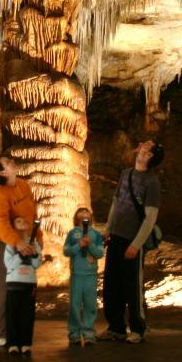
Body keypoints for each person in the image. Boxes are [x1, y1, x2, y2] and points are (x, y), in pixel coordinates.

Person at [99, 140, 164, 344]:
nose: (141, 152)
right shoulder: (126, 174)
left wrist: (136, 244)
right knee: (111, 284)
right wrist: (108, 229)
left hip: (132, 240)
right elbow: (116, 202)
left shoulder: (151, 183)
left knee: (132, 287)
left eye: (147, 151)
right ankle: (116, 327)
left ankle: (138, 328)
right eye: (142, 149)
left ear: (152, 158)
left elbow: (150, 217)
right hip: (116, 236)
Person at [0, 153, 42, 346]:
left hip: (21, 238)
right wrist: (17, 243)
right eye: (8, 163)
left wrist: (37, 241)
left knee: (19, 287)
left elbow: (32, 214)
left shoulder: (23, 186)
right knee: (2, 288)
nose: (12, 162)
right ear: (2, 172)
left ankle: (15, 329)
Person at [64, 207, 105, 346]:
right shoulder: (72, 233)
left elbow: (100, 253)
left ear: (91, 216)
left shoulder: (96, 234)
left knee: (90, 304)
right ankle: (74, 333)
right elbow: (66, 251)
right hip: (77, 274)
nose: (83, 214)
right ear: (76, 216)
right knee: (75, 305)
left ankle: (89, 333)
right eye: (80, 212)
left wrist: (90, 245)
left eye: (86, 211)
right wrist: (78, 245)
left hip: (91, 275)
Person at [3, 216, 42, 355]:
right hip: (14, 282)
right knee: (12, 313)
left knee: (27, 314)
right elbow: (9, 264)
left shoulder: (35, 243)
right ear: (14, 227)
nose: (23, 222)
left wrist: (34, 253)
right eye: (18, 221)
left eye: (25, 220)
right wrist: (20, 254)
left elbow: (37, 264)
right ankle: (12, 343)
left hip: (29, 283)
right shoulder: (11, 244)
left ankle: (25, 343)